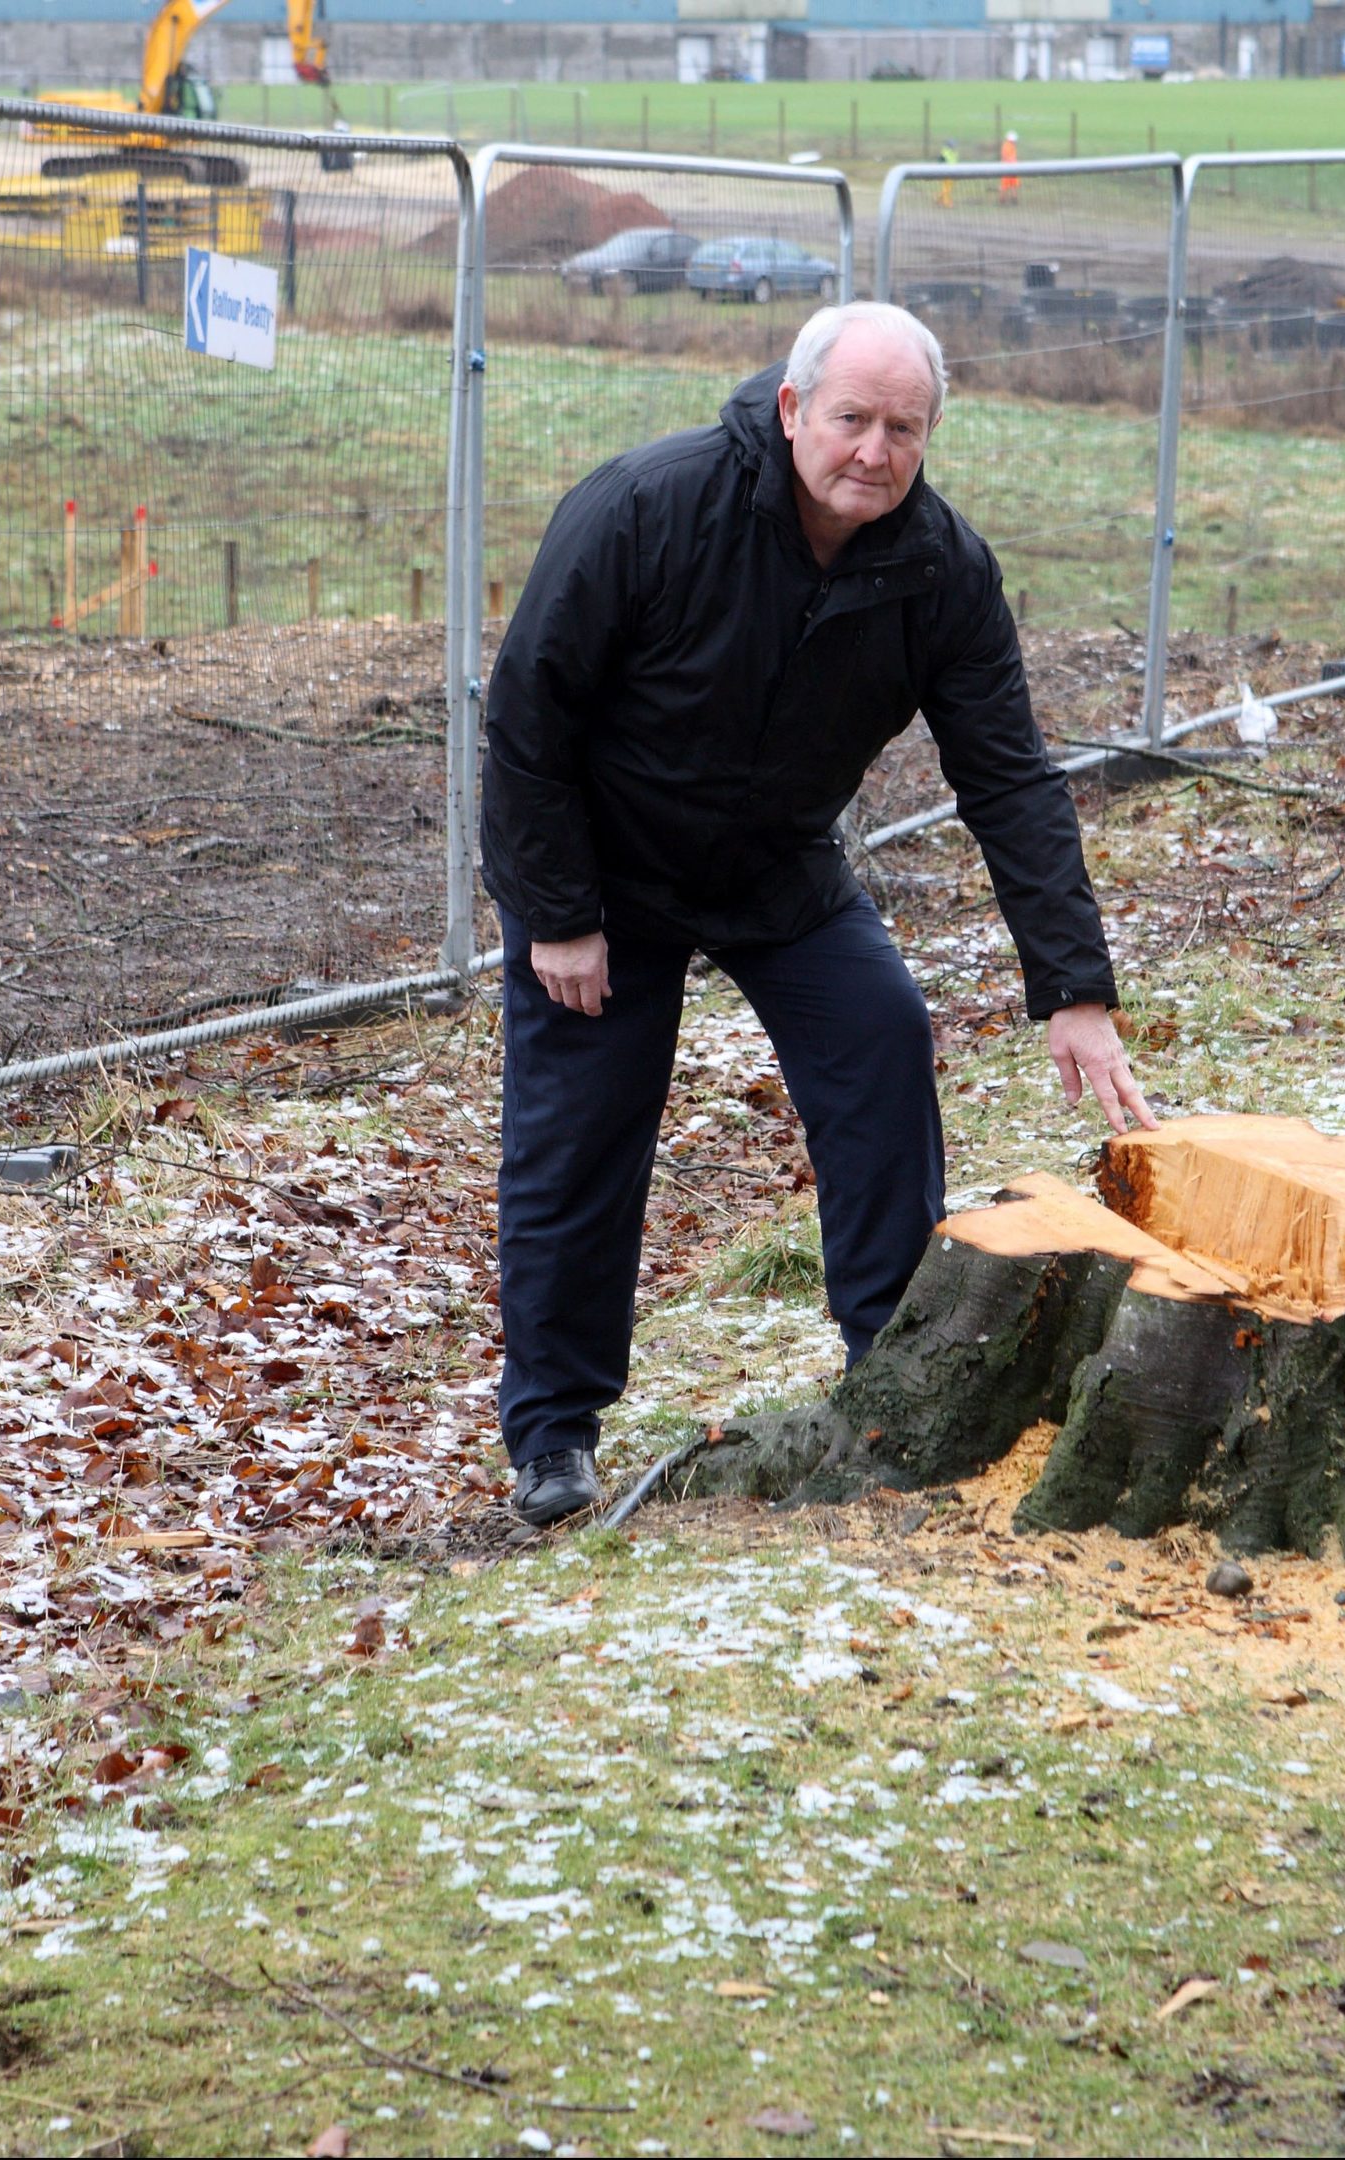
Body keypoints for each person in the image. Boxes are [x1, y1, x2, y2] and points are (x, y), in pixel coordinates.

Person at [478, 302, 1151, 1527]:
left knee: (881, 1038)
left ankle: (888, 1376)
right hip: (606, 879)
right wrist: (555, 910)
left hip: (777, 869)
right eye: (851, 420)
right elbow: (530, 714)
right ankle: (554, 1430)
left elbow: (1008, 777)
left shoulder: (939, 568)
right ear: (793, 411)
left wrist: (1075, 990)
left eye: (905, 428)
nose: (874, 453)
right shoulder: (648, 506)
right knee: (580, 1132)